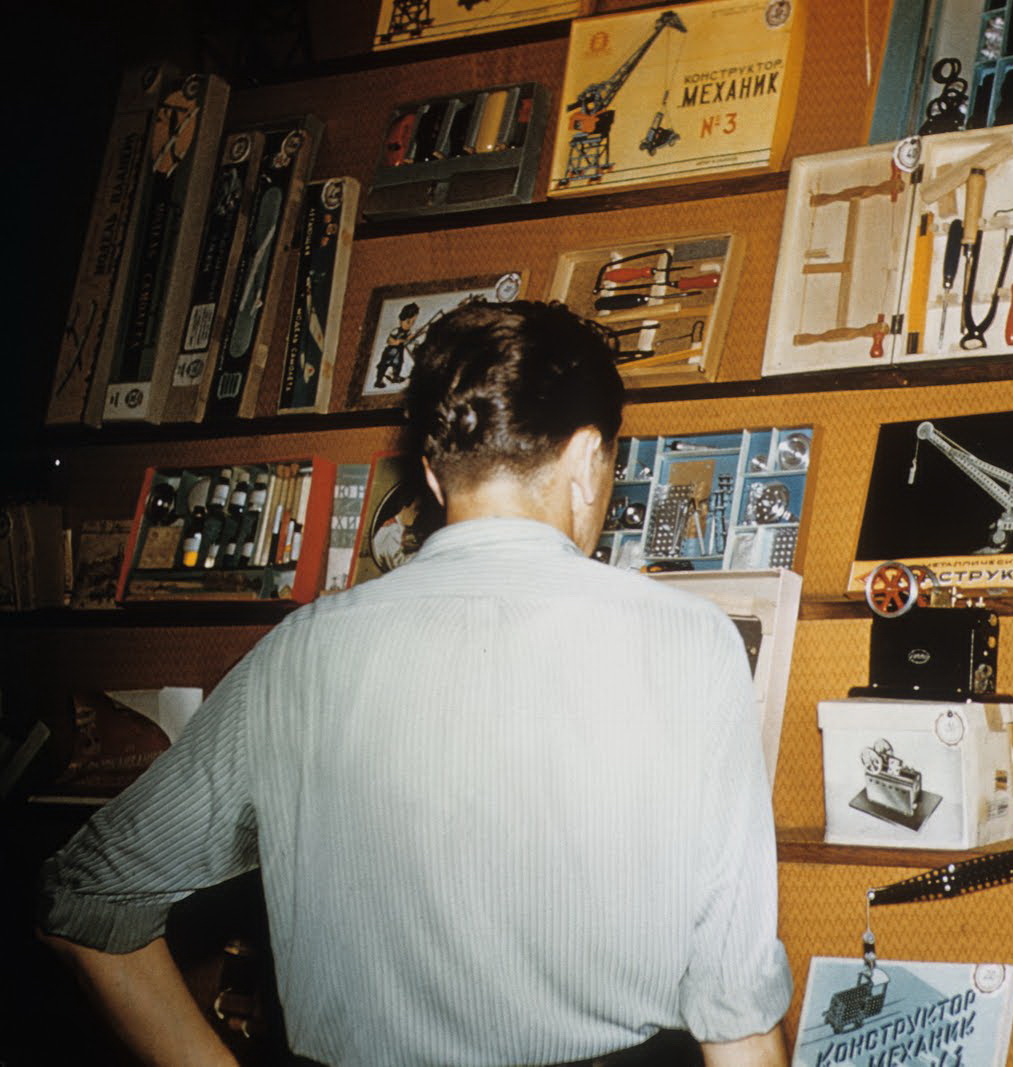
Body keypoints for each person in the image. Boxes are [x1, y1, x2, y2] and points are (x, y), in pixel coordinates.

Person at [38, 301, 792, 1066]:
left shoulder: (298, 654)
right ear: (587, 459)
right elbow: (738, 1020)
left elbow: (85, 898)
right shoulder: (690, 643)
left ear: (431, 473)